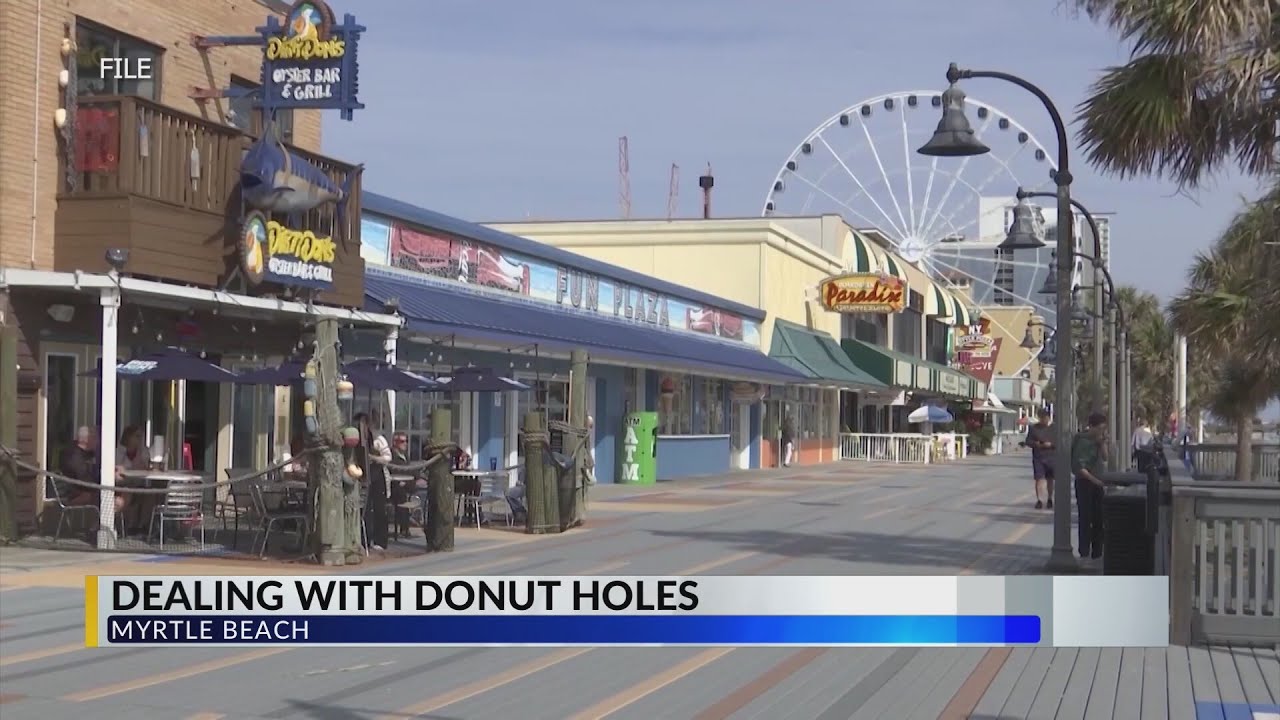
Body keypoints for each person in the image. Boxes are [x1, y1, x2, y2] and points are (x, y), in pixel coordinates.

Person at [57, 427, 127, 523]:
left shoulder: (87, 454)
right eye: (95, 438)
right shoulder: (73, 456)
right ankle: (100, 526)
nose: (98, 441)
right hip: (77, 493)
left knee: (125, 493)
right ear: (86, 440)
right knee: (119, 501)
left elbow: (94, 470)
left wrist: (112, 469)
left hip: (88, 489)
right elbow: (84, 480)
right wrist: (109, 478)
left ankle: (104, 524)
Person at [1071, 412, 1110, 560]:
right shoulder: (1082, 440)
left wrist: (1102, 443)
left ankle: (1097, 552)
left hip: (1097, 483)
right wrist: (1095, 481)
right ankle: (1084, 551)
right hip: (1085, 482)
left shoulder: (1097, 441)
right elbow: (1080, 468)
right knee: (1086, 517)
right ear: (1091, 427)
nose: (1101, 432)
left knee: (1099, 518)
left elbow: (1105, 457)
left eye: (1103, 429)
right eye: (1099, 428)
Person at [354, 411, 391, 551]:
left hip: (377, 476)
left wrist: (374, 458)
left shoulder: (378, 439)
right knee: (365, 508)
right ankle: (365, 539)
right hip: (363, 476)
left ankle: (380, 540)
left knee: (379, 508)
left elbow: (387, 458)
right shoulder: (357, 441)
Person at [1023, 409, 1055, 509]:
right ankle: (1039, 500)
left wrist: (1051, 444)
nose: (1043, 420)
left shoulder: (1054, 428)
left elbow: (1060, 441)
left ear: (1048, 417)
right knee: (1039, 479)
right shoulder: (1033, 428)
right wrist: (1036, 444)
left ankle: (1050, 498)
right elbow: (1028, 441)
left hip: (1051, 457)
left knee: (1050, 479)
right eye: (1041, 418)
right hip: (1038, 457)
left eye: (1045, 418)